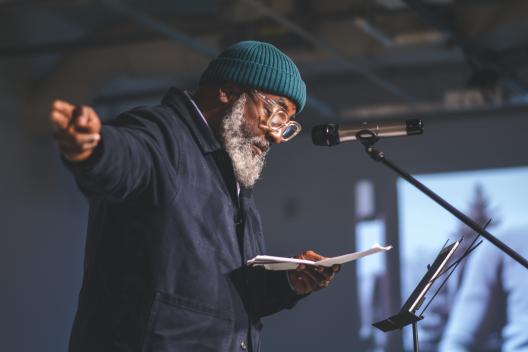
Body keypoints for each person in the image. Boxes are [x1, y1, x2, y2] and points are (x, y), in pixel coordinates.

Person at [50, 40, 340, 352]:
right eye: (275, 113)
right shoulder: (162, 137)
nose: (276, 135)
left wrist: (288, 283)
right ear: (227, 92)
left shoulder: (231, 174)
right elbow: (126, 158)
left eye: (286, 125)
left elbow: (226, 298)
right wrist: (94, 148)